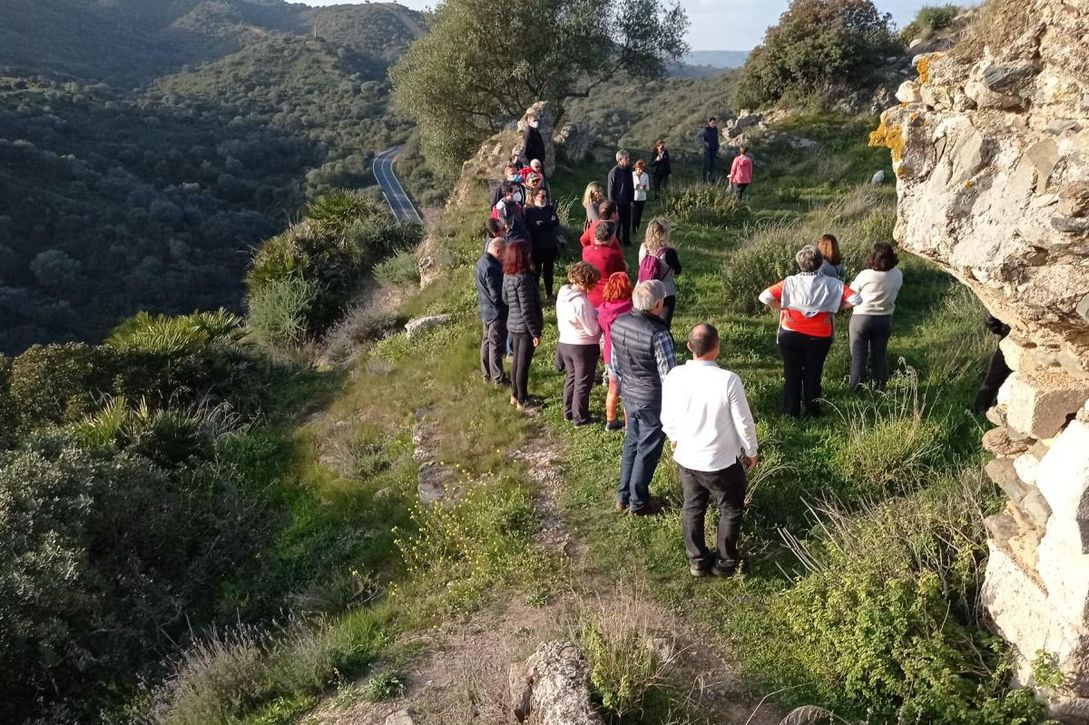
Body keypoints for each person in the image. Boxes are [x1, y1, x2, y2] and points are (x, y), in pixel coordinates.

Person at [661, 323, 758, 578]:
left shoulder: (674, 375)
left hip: (687, 459)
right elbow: (744, 421)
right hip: (720, 462)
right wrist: (751, 450)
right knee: (730, 508)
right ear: (717, 347)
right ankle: (725, 562)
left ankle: (697, 560)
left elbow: (666, 415)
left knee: (693, 507)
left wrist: (674, 438)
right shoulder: (728, 380)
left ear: (689, 347)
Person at [759, 245, 861, 417]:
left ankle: (791, 412)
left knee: (792, 375)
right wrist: (835, 308)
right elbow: (856, 298)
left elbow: (764, 297)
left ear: (799, 264)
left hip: (791, 332)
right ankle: (813, 412)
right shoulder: (833, 283)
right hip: (820, 336)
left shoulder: (790, 282)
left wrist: (782, 307)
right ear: (820, 263)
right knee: (814, 375)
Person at [611, 280, 676, 516]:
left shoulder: (619, 323)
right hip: (651, 398)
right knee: (647, 449)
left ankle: (623, 495)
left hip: (629, 391)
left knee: (632, 442)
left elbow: (616, 363)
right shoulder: (658, 333)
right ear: (658, 304)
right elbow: (668, 375)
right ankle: (638, 502)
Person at [848, 242, 903, 391]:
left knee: (859, 356)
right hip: (884, 318)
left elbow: (851, 294)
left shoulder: (865, 274)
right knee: (879, 355)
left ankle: (856, 387)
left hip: (862, 317)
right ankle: (879, 387)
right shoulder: (898, 274)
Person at [556, 262, 603, 426]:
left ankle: (568, 411)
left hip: (565, 342)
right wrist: (601, 320)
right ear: (586, 282)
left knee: (571, 377)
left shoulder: (564, 292)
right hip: (582, 346)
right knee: (583, 382)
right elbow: (592, 330)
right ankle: (580, 417)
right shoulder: (582, 303)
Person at [503, 241, 544, 412]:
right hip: (525, 328)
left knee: (516, 362)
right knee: (523, 364)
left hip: (513, 323)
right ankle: (523, 399)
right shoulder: (524, 279)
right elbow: (527, 309)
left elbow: (505, 299)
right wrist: (535, 332)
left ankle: (515, 395)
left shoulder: (507, 275)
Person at [598, 272, 634, 433]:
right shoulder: (630, 308)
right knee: (628, 391)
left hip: (608, 352)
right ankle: (629, 425)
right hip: (626, 352)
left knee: (613, 387)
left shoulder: (603, 309)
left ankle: (610, 419)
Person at [637, 217, 682, 329]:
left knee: (644, 324)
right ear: (664, 234)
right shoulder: (669, 253)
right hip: (665, 293)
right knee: (663, 326)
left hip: (644, 289)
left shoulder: (643, 247)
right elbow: (678, 270)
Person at [476, 237, 509, 386]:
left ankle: (487, 373)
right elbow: (496, 294)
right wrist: (507, 305)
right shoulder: (492, 268)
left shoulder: (481, 262)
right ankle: (498, 378)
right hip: (495, 313)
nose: (505, 257)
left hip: (485, 310)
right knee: (495, 345)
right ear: (498, 250)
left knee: (487, 343)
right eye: (504, 253)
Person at [525, 188, 562, 298]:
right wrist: (546, 223)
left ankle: (549, 293)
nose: (544, 198)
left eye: (545, 196)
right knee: (536, 272)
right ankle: (536, 295)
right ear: (535, 196)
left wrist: (542, 224)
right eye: (542, 196)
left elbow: (555, 222)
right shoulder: (529, 211)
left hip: (549, 245)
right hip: (537, 246)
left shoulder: (549, 208)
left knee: (548, 271)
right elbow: (531, 226)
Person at [582, 221, 627, 307]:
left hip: (590, 294)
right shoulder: (613, 254)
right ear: (611, 237)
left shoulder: (586, 251)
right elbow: (622, 270)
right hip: (609, 294)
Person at [974, 315, 1012, 414]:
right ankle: (980, 409)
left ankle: (979, 409)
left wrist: (1001, 330)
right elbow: (991, 320)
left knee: (994, 377)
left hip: (1011, 336)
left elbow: (991, 320)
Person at [607, 150, 635, 246]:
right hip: (617, 203)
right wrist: (613, 205)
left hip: (627, 201)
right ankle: (616, 241)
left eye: (628, 157)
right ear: (620, 160)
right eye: (626, 158)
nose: (628, 160)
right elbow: (610, 190)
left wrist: (632, 200)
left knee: (627, 222)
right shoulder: (613, 172)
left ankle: (627, 241)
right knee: (617, 224)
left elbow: (631, 186)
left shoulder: (628, 170)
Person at [632, 160, 650, 235]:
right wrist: (636, 186)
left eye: (642, 169)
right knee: (634, 214)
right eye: (639, 169)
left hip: (642, 198)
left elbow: (648, 188)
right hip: (634, 197)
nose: (640, 170)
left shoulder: (645, 175)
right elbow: (630, 186)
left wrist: (644, 187)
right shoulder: (632, 175)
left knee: (639, 214)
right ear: (636, 168)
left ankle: (637, 228)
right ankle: (633, 228)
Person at [699, 117, 720, 183]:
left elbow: (716, 139)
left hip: (714, 150)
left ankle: (711, 180)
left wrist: (718, 147)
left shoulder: (715, 129)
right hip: (707, 150)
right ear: (709, 123)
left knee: (713, 165)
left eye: (715, 123)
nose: (713, 124)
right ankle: (704, 180)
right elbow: (699, 137)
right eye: (712, 123)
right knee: (706, 164)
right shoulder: (706, 130)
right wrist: (705, 143)